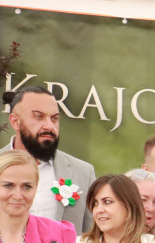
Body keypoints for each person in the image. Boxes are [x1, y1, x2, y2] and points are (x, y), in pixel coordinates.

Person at [3, 86, 96, 233]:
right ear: (15, 122)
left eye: (54, 118)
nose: (49, 126)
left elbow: (91, 237)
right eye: (38, 116)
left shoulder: (83, 172)